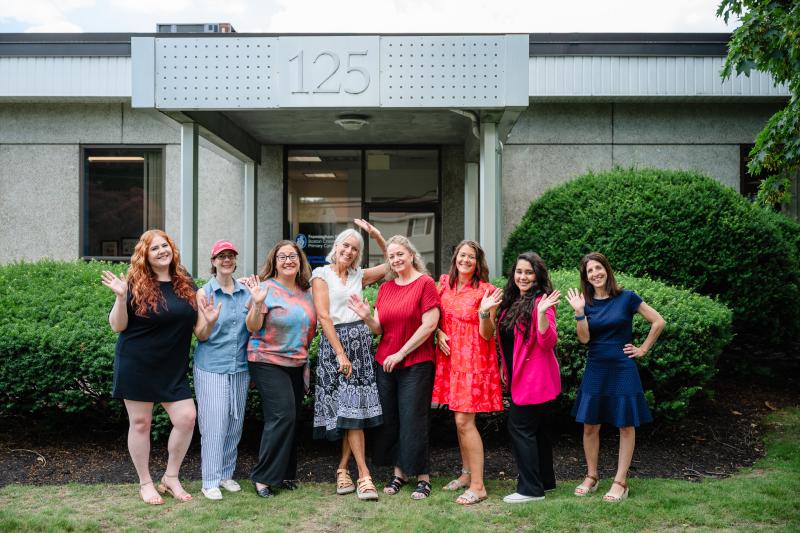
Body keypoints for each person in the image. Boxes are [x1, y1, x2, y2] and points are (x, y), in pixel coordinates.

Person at [101, 229, 219, 505]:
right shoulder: (134, 282)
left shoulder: (185, 282)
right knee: (140, 423)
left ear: (172, 249)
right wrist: (120, 297)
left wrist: (211, 320)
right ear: (145, 255)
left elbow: (200, 334)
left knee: (187, 418)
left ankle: (171, 477)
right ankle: (145, 482)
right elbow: (117, 326)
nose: (161, 251)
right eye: (154, 249)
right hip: (137, 362)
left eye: (164, 246)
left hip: (172, 366)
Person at [567, 252, 665, 502]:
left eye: (598, 268)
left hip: (623, 367)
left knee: (625, 425)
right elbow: (584, 339)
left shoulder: (627, 297)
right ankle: (592, 476)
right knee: (590, 424)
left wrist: (642, 349)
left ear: (607, 270)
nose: (595, 274)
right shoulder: (585, 303)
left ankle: (621, 481)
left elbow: (658, 322)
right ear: (586, 277)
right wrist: (579, 313)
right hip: (596, 367)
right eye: (590, 271)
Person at [348, 235, 440, 500]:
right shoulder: (386, 288)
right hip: (386, 363)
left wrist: (401, 353)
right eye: (391, 256)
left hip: (416, 362)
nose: (396, 259)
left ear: (411, 255)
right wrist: (366, 317)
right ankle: (399, 473)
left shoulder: (425, 284)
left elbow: (429, 325)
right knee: (392, 420)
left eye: (400, 254)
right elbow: (379, 328)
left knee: (414, 419)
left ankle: (423, 476)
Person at [311, 220, 387, 501]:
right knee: (349, 413)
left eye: (355, 248)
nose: (349, 251)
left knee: (353, 412)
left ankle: (343, 469)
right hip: (337, 348)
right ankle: (364, 475)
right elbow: (324, 316)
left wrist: (377, 235)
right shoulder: (321, 275)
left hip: (362, 346)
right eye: (346, 245)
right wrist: (341, 353)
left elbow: (392, 263)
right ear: (336, 246)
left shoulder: (359, 275)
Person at [432, 240, 503, 505]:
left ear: (477, 262)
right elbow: (437, 318)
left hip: (473, 362)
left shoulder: (487, 291)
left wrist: (484, 312)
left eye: (471, 257)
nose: (466, 260)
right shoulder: (444, 285)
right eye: (462, 255)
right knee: (458, 420)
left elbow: (488, 334)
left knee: (464, 421)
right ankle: (465, 474)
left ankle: (478, 485)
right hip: (451, 361)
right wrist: (439, 332)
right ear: (455, 258)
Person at [245, 240, 317, 498]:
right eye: (282, 257)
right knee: (282, 415)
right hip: (267, 359)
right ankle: (263, 477)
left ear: (300, 261)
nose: (288, 260)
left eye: (293, 256)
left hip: (297, 362)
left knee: (292, 417)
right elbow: (252, 326)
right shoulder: (265, 289)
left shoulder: (307, 292)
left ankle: (285, 474)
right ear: (274, 263)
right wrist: (256, 303)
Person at [496, 252, 561, 504]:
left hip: (534, 378)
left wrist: (543, 315)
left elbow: (548, 342)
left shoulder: (541, 301)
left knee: (520, 428)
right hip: (519, 375)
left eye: (529, 272)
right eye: (519, 271)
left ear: (538, 276)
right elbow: (509, 339)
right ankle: (545, 481)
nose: (523, 277)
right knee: (538, 431)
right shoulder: (515, 299)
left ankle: (530, 489)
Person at [193, 240, 251, 500]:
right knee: (215, 423)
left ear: (235, 260)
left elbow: (254, 327)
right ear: (213, 261)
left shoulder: (246, 292)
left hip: (239, 366)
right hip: (212, 367)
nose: (226, 260)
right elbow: (201, 336)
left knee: (234, 422)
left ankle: (226, 475)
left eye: (231, 256)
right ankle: (210, 480)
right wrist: (210, 321)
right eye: (221, 256)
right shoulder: (204, 293)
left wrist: (258, 302)